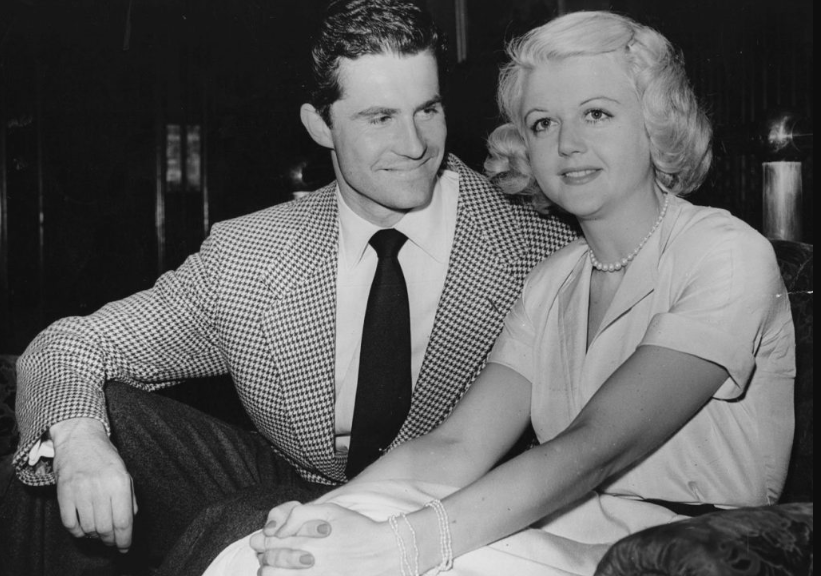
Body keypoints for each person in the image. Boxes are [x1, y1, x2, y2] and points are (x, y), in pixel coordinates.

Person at [205, 10, 796, 576]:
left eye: (596, 113)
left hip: (692, 550)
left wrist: (400, 548)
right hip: (571, 527)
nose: (566, 144)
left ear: (656, 119)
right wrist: (321, 520)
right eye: (543, 122)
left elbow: (598, 446)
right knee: (267, 555)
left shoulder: (724, 251)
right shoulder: (552, 279)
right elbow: (456, 446)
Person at [0, 1, 575, 575]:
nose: (416, 144)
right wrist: (79, 444)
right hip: (291, 480)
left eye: (427, 109)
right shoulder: (250, 254)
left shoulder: (536, 242)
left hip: (454, 507)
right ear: (319, 125)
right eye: (379, 118)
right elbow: (67, 345)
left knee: (243, 520)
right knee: (82, 431)